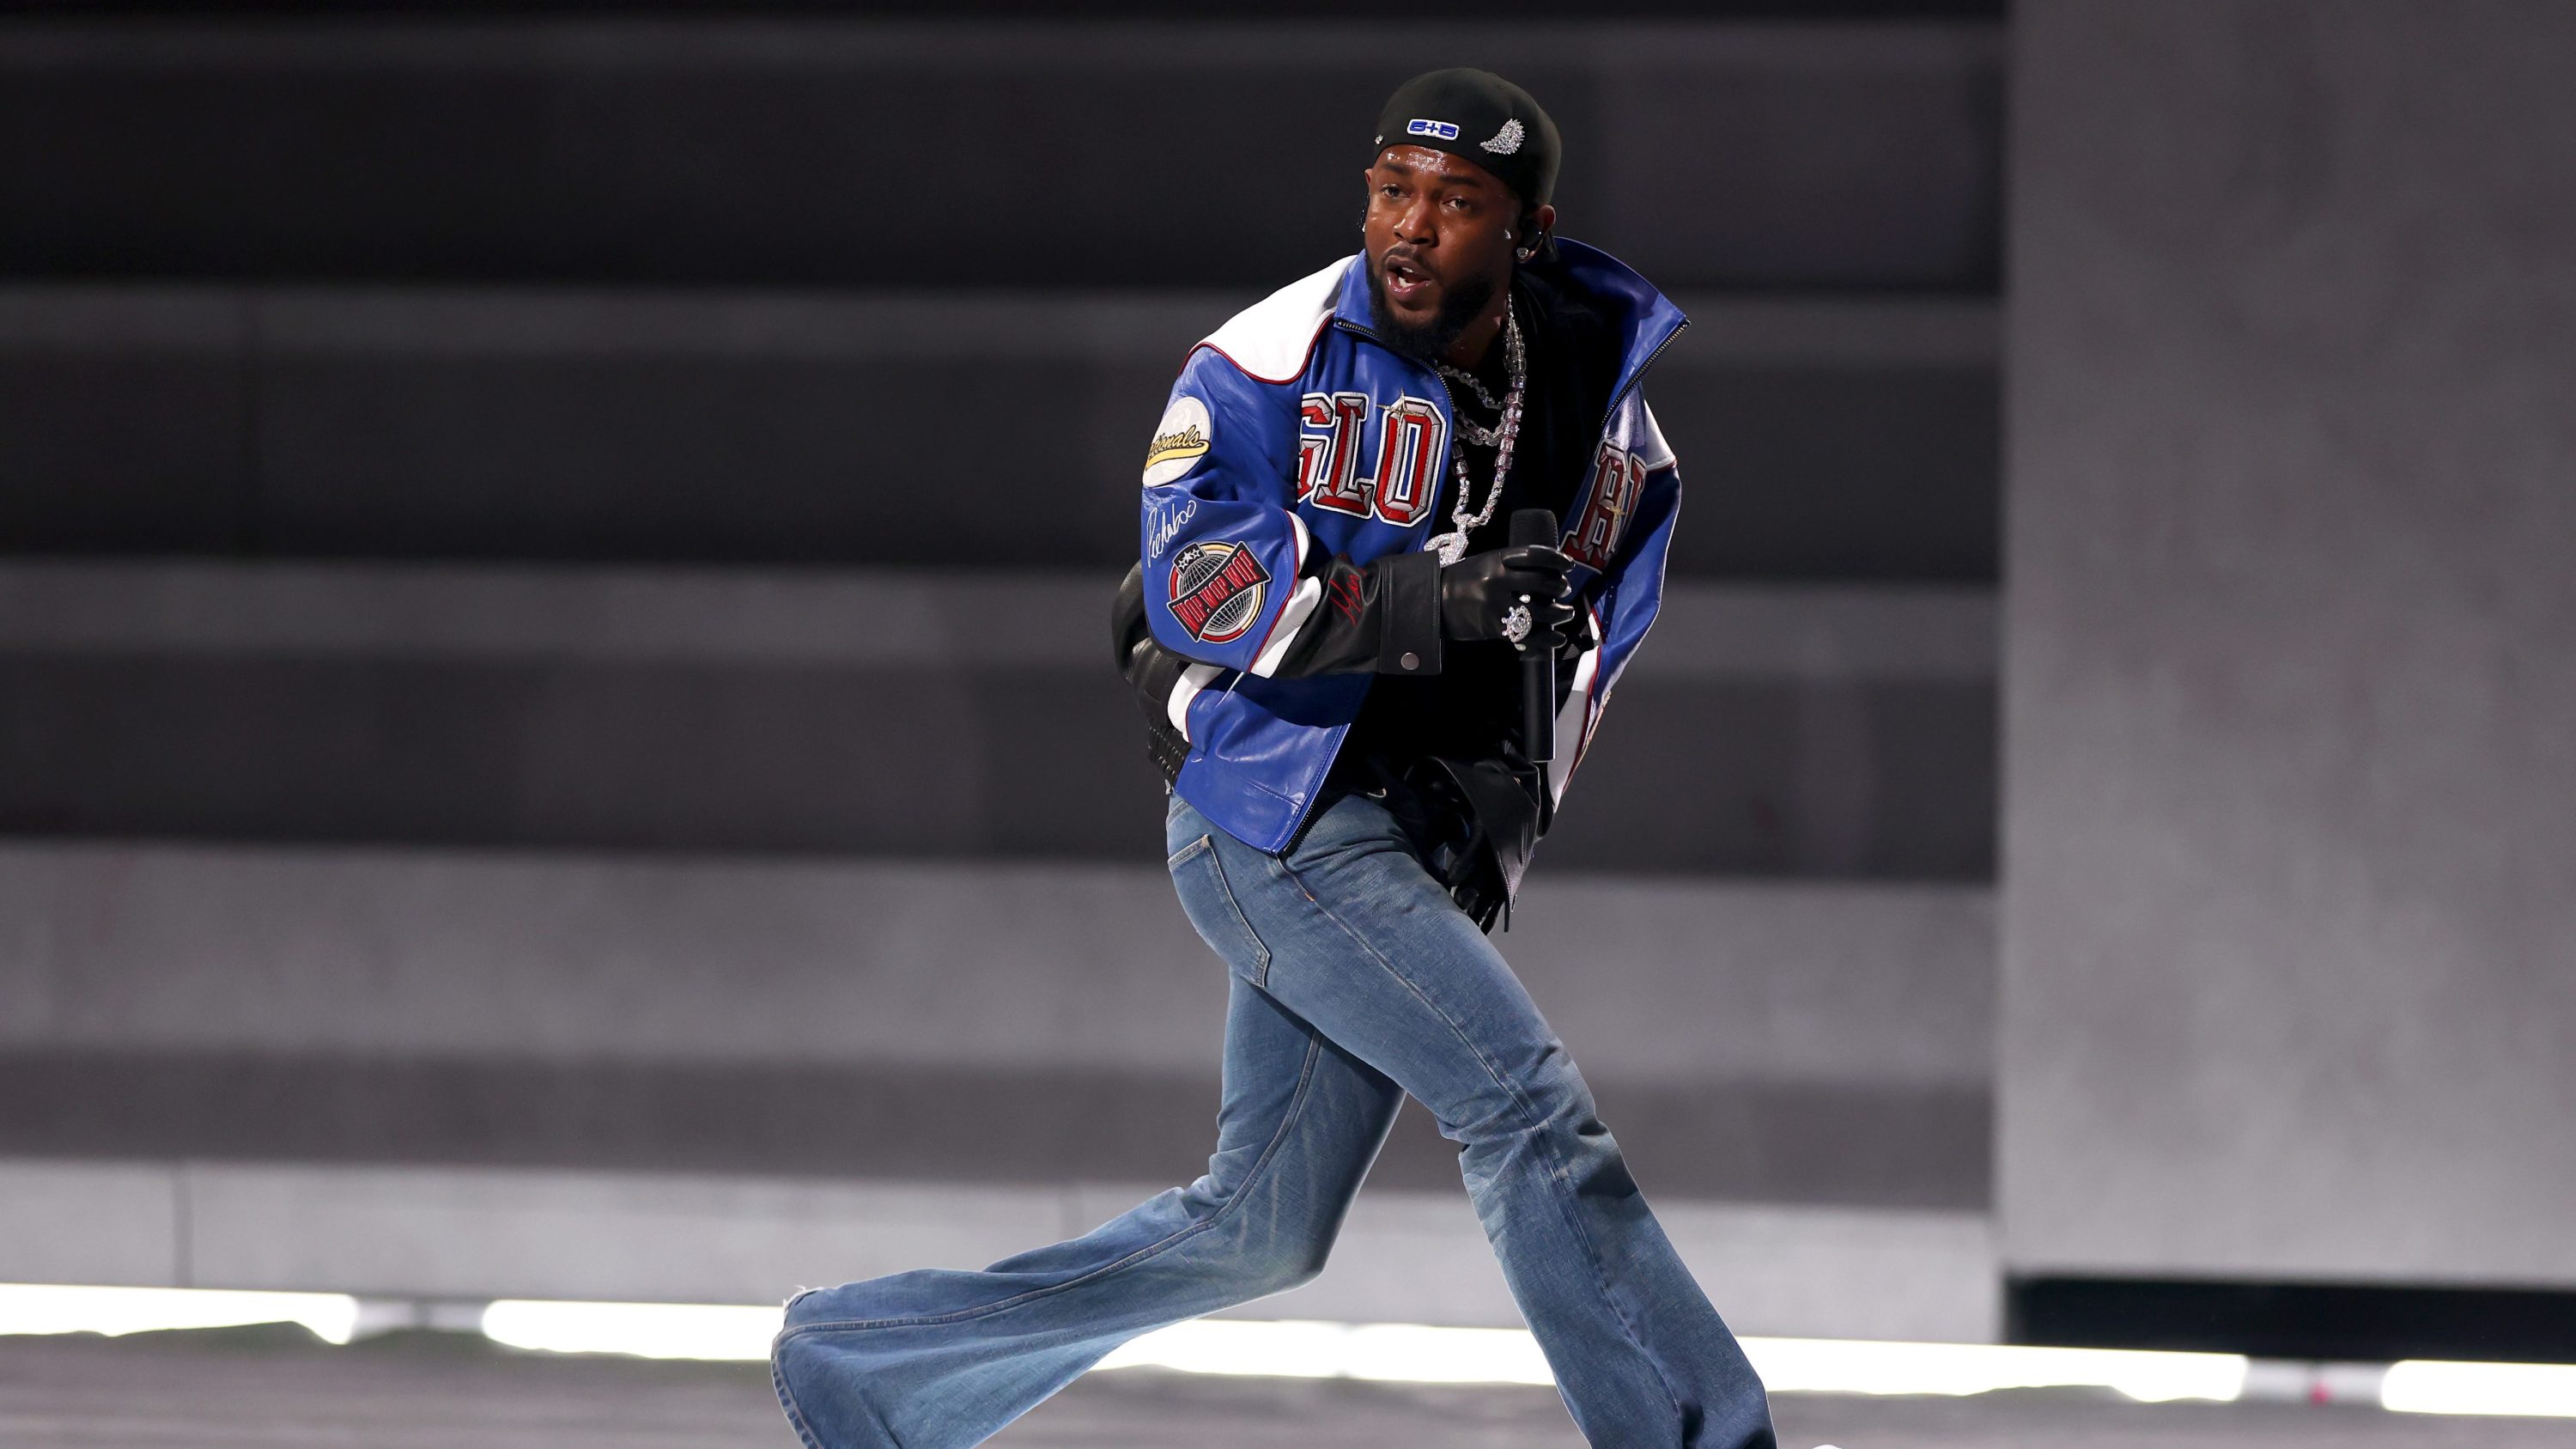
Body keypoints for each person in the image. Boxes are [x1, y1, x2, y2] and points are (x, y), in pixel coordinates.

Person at [769, 69, 1777, 1449]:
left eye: (1456, 202)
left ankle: (860, 1361)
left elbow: (1590, 665)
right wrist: (1450, 603)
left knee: (1258, 1231)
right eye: (1390, 191)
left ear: (1526, 233)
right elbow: (1199, 592)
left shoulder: (1613, 427)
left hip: (1411, 841)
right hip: (1279, 819)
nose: (1411, 228)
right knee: (1529, 1112)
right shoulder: (1264, 359)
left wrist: (1499, 838)